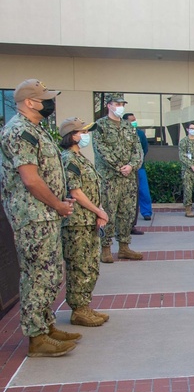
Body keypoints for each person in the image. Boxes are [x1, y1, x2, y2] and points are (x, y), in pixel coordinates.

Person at [0, 79, 80, 357]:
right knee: (37, 275)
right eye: (44, 98)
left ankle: (46, 325)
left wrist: (59, 201)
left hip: (44, 213)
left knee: (51, 273)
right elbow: (31, 180)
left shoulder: (35, 130)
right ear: (30, 102)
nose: (49, 102)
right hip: (33, 216)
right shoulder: (19, 132)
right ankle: (36, 338)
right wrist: (58, 205)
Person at [59, 118, 109, 328]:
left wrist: (98, 212)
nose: (86, 135)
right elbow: (75, 192)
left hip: (87, 220)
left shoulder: (80, 158)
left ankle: (84, 306)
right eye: (82, 132)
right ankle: (78, 309)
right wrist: (98, 210)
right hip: (76, 222)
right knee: (79, 266)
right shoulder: (69, 158)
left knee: (89, 266)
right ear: (72, 135)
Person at [92, 95, 144, 263]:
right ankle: (105, 249)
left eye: (122, 104)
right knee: (108, 212)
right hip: (109, 178)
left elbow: (138, 150)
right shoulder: (100, 126)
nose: (120, 107)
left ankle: (124, 247)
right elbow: (101, 150)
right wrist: (119, 166)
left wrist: (131, 166)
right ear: (109, 106)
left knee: (127, 213)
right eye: (117, 104)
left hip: (128, 178)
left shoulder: (128, 127)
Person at [126, 113, 153, 228]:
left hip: (139, 167)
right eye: (132, 120)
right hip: (125, 168)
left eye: (135, 120)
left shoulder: (140, 134)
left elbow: (145, 149)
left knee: (143, 190)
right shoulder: (121, 133)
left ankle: (146, 212)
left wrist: (136, 162)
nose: (134, 122)